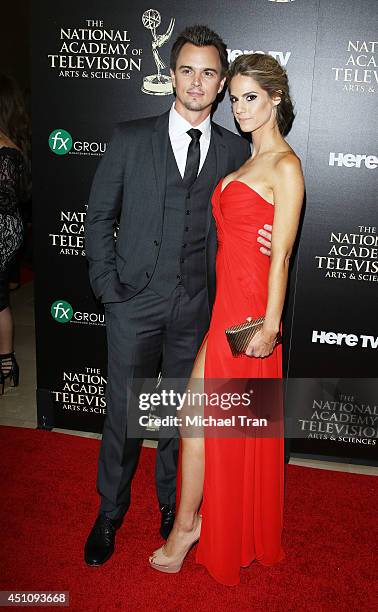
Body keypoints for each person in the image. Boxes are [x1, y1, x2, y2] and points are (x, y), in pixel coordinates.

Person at [84, 26, 272, 567]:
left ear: (221, 84)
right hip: (133, 303)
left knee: (176, 417)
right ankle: (110, 512)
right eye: (187, 69)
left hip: (198, 308)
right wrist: (108, 289)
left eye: (209, 72)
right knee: (124, 414)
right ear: (172, 75)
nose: (197, 81)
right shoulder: (130, 137)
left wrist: (266, 235)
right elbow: (98, 217)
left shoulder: (238, 151)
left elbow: (257, 213)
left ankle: (173, 508)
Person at [149, 52, 304, 585]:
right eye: (234, 98)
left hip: (249, 322)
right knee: (198, 424)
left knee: (203, 426)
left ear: (276, 99)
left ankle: (187, 528)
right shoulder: (242, 161)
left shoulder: (286, 165)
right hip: (224, 313)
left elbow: (281, 254)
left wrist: (270, 325)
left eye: (251, 98)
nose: (239, 108)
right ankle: (193, 524)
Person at [0, 74, 30, 393]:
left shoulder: (6, 149)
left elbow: (6, 197)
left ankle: (5, 363)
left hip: (3, 228)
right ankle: (7, 363)